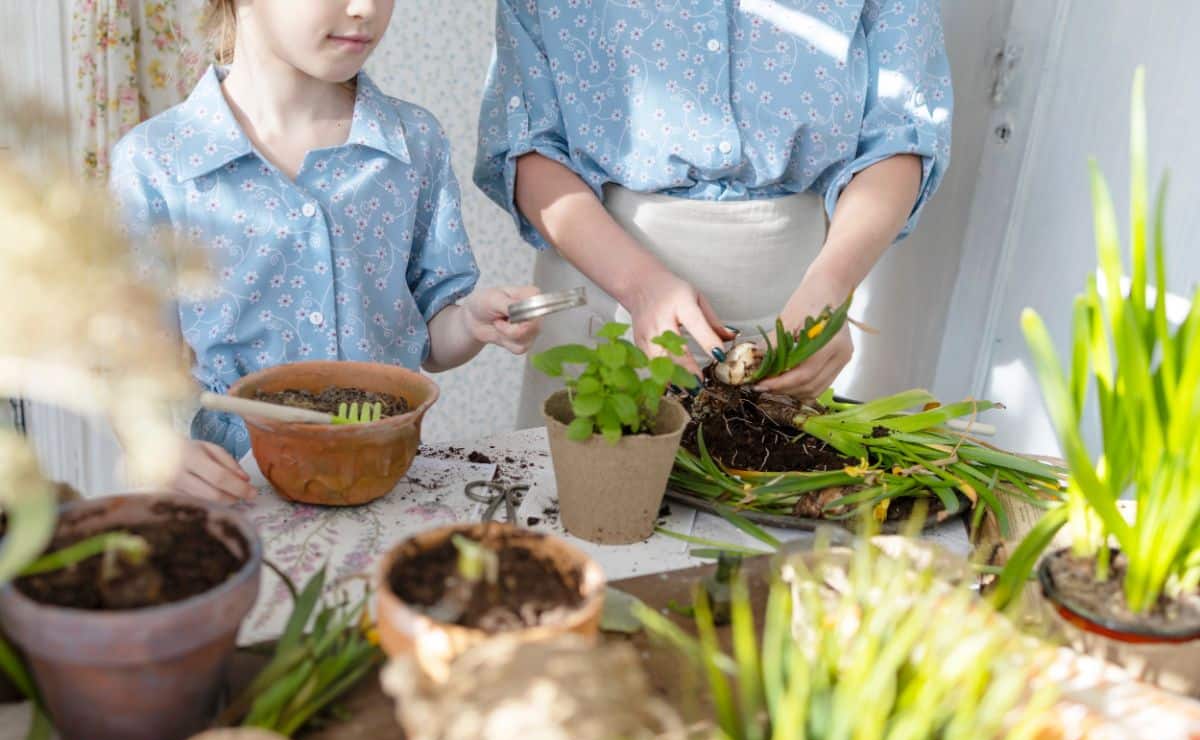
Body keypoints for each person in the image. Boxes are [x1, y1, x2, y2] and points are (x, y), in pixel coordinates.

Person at [111, 0, 540, 503]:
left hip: (385, 480)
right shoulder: (156, 163)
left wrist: (470, 323)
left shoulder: (413, 143)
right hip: (239, 490)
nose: (365, 9)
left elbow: (432, 339)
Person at [476, 0, 953, 428]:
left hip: (795, 307)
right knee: (581, 513)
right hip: (603, 292)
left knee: (764, 513)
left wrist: (832, 284)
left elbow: (898, 139)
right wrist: (639, 285)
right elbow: (527, 144)